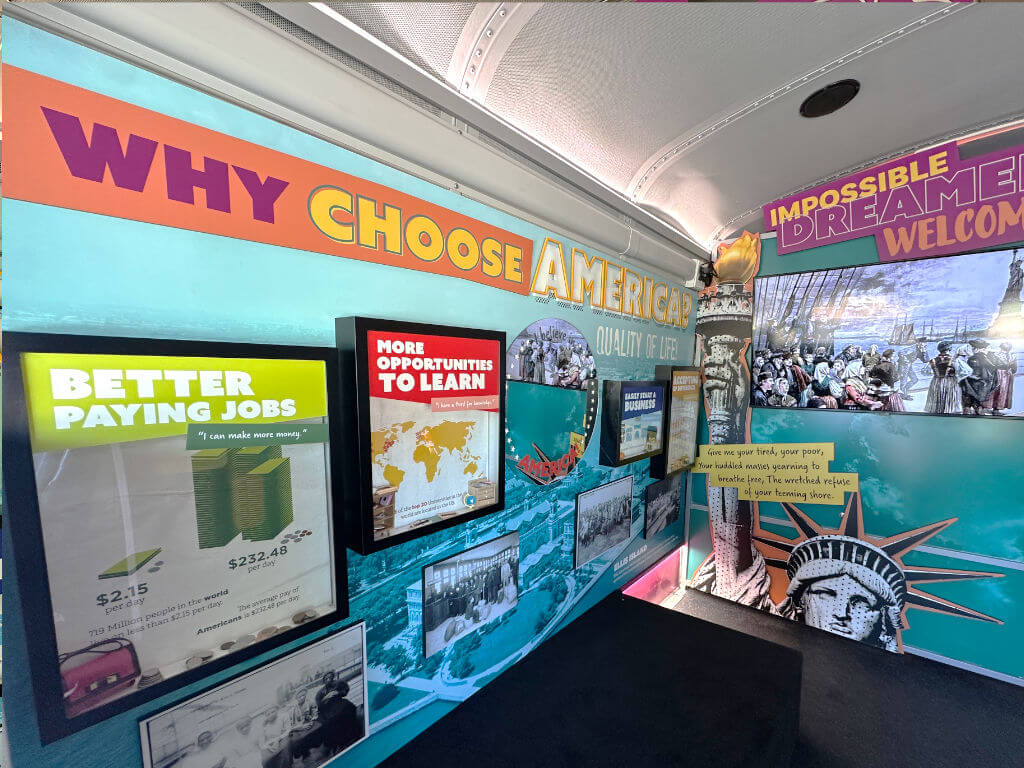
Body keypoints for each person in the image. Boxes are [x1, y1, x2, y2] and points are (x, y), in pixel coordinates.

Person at [316, 676, 361, 757]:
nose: (328, 679)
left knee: (349, 707)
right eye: (326, 678)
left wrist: (338, 693)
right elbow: (319, 705)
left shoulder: (338, 683)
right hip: (328, 708)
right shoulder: (320, 692)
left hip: (340, 703)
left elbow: (345, 691)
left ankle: (353, 735)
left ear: (332, 676)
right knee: (332, 721)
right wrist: (327, 697)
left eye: (330, 677)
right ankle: (337, 744)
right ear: (323, 680)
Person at [962, 340, 998, 415]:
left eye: (973, 348)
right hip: (983, 381)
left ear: (976, 349)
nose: (972, 349)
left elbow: (970, 369)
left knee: (968, 393)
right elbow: (993, 368)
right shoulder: (986, 357)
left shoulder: (973, 358)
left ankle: (970, 410)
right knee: (978, 398)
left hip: (975, 380)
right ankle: (978, 410)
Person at [925, 341, 961, 414]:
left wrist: (936, 372)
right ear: (949, 349)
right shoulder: (954, 360)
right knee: (949, 399)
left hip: (936, 381)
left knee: (937, 398)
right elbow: (961, 371)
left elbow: (925, 372)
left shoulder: (933, 360)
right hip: (950, 382)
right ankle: (948, 411)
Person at [991, 342, 1017, 414]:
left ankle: (998, 408)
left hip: (1006, 375)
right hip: (998, 374)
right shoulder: (996, 355)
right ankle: (995, 408)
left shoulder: (1012, 356)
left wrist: (1011, 370)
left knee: (1003, 391)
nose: (1004, 351)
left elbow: (1014, 368)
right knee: (997, 391)